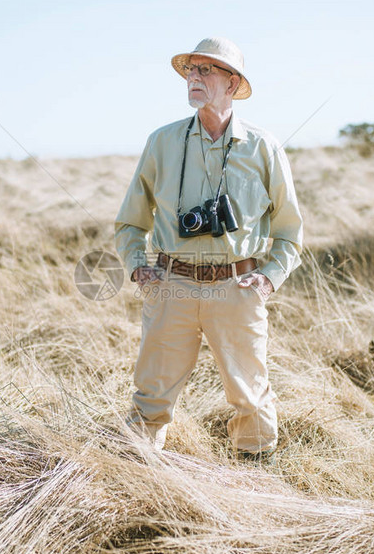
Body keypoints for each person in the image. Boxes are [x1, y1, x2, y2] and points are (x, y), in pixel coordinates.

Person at [114, 37, 304, 459]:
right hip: (170, 288)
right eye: (191, 71)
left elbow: (291, 232)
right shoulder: (161, 142)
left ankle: (255, 487)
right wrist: (138, 267)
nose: (193, 79)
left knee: (251, 400)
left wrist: (268, 280)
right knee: (149, 401)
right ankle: (132, 482)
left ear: (233, 83)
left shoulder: (263, 147)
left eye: (206, 71)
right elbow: (130, 222)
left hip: (238, 289)